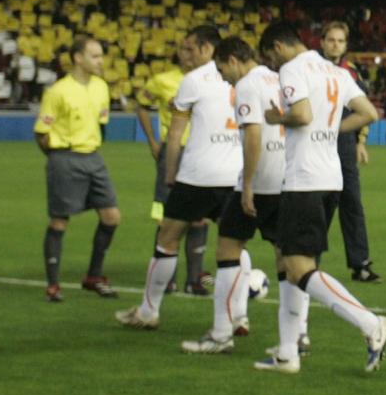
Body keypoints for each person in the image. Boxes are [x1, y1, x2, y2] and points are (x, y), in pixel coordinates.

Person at [253, 22, 386, 375]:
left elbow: (300, 115)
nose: (273, 63)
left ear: (279, 47)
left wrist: (277, 117)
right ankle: (288, 353)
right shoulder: (335, 71)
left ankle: (370, 323)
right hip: (331, 178)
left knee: (299, 267)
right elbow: (369, 113)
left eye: (271, 56)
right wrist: (331, 130)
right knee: (289, 264)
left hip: (304, 179)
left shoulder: (292, 69)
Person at [116, 26, 240, 331]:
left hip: (198, 173)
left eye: (191, 48)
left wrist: (170, 172)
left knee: (167, 238)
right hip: (234, 174)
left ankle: (149, 310)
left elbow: (174, 135)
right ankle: (238, 315)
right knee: (234, 245)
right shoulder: (243, 79)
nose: (186, 54)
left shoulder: (193, 81)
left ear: (207, 49)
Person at [184, 37, 285, 355]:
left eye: (221, 68)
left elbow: (253, 134)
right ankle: (298, 336)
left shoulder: (246, 85)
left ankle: (221, 334)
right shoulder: (276, 77)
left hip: (259, 182)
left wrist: (249, 184)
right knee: (289, 258)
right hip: (285, 179)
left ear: (233, 60)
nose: (222, 75)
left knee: (227, 249)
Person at [35, 35, 122, 302]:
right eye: (95, 55)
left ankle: (93, 276)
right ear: (78, 58)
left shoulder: (101, 87)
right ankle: (53, 285)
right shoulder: (58, 91)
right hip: (65, 157)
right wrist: (58, 157)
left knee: (112, 216)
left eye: (101, 55)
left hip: (93, 157)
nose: (100, 61)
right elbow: (42, 133)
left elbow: (102, 124)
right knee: (60, 221)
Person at [137, 56, 207, 296]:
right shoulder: (162, 80)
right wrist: (153, 142)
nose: (189, 53)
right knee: (167, 217)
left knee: (200, 218)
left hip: (202, 152)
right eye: (185, 49)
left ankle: (194, 279)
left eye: (192, 49)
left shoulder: (210, 80)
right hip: (173, 152)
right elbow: (142, 106)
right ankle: (166, 281)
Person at [319, 22, 379, 283]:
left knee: (352, 203)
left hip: (343, 142)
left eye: (340, 41)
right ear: (322, 42)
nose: (335, 45)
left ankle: (360, 264)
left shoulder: (351, 73)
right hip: (317, 142)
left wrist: (360, 142)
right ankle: (309, 260)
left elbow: (363, 109)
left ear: (346, 45)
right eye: (331, 40)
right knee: (319, 203)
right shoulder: (310, 69)